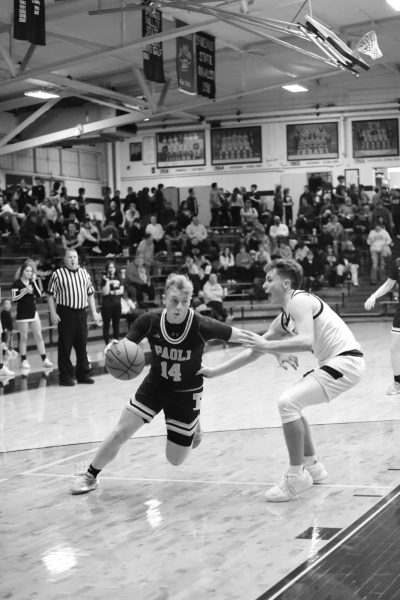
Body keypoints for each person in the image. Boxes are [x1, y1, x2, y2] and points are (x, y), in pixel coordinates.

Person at [68, 273, 253, 495]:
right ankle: (90, 475)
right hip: (155, 385)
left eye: (184, 302)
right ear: (164, 298)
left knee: (174, 459)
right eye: (174, 301)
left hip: (186, 392)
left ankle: (194, 424)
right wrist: (114, 349)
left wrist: (273, 347)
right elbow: (127, 344)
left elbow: (245, 336)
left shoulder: (201, 324)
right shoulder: (149, 321)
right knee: (120, 432)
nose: (179, 307)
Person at [200, 259, 365, 502]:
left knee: (287, 403)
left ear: (286, 283)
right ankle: (314, 468)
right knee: (294, 406)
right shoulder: (284, 318)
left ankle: (296, 476)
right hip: (339, 364)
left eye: (269, 280)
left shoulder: (299, 300)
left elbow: (306, 340)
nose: (264, 286)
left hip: (345, 362)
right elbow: (255, 350)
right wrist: (215, 372)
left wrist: (270, 346)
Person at [47, 249, 101, 386]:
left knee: (82, 345)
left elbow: (90, 294)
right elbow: (50, 295)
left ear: (78, 259)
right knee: (65, 346)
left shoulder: (84, 273)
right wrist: (53, 313)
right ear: (65, 259)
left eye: (75, 257)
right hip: (66, 313)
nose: (72, 259)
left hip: (82, 313)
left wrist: (94, 312)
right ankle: (65, 376)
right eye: (70, 257)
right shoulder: (57, 274)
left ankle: (83, 374)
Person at [364, 256, 400, 395]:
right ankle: (397, 383)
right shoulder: (397, 263)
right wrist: (373, 296)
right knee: (394, 347)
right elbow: (388, 284)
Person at [11, 260, 53, 370]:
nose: (29, 273)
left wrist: (34, 282)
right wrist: (25, 291)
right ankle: (24, 360)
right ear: (22, 271)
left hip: (33, 313)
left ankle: (44, 359)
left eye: (30, 271)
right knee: (23, 338)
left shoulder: (31, 282)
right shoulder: (17, 283)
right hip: (22, 315)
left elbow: (39, 295)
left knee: (39, 336)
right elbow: (14, 299)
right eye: (27, 271)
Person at [100, 262, 124, 345]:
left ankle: (116, 342)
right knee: (106, 325)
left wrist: (112, 292)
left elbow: (121, 291)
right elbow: (105, 293)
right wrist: (107, 281)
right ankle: (107, 344)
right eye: (109, 267)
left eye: (113, 267)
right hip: (107, 305)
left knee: (116, 325)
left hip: (117, 304)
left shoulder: (119, 278)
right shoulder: (104, 279)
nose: (111, 269)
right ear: (107, 269)